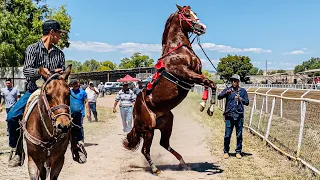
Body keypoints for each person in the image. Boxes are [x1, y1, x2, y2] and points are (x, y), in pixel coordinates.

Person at [5, 19, 86, 167]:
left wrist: (59, 73)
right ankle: (16, 150)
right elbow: (27, 71)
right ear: (51, 32)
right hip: (34, 90)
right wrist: (40, 71)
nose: (60, 37)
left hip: (54, 93)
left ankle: (76, 144)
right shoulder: (32, 49)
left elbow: (61, 75)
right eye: (59, 33)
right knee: (11, 117)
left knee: (76, 110)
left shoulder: (59, 54)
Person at [218, 74, 249, 159]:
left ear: (238, 81)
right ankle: (226, 151)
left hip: (239, 116)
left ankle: (238, 152)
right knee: (227, 135)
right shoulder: (228, 90)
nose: (233, 82)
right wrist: (225, 93)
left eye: (235, 81)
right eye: (232, 81)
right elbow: (219, 97)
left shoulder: (243, 91)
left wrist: (240, 99)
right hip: (229, 116)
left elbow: (247, 102)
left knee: (239, 135)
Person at [70, 80, 89, 163]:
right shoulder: (69, 92)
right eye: (73, 84)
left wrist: (88, 112)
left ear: (78, 84)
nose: (75, 85)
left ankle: (80, 142)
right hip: (70, 114)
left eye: (76, 84)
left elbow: (86, 102)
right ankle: (72, 143)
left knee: (79, 127)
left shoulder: (83, 92)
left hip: (80, 113)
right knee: (70, 128)